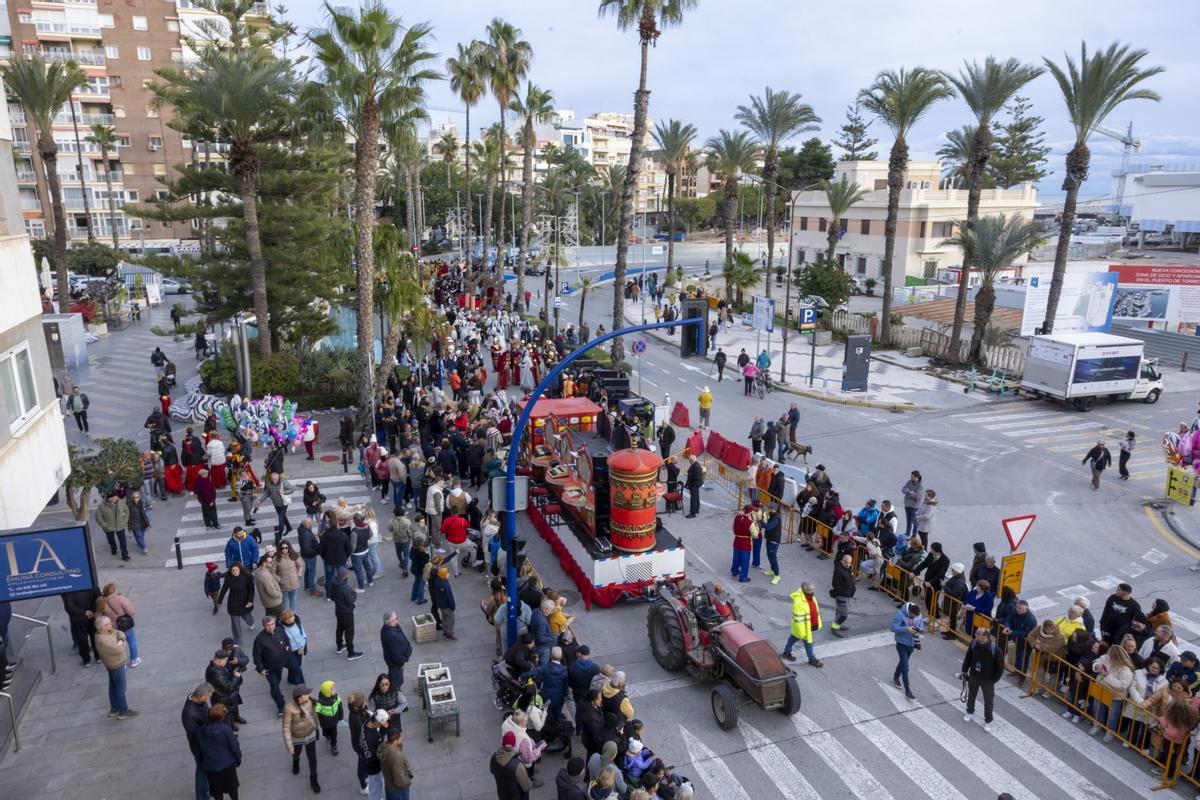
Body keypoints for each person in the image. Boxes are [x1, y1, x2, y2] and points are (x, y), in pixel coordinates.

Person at [961, 625, 1004, 730]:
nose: (976, 635)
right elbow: (968, 657)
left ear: (984, 636)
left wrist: (993, 680)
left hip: (988, 680)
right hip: (974, 676)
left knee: (988, 701)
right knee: (971, 695)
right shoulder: (974, 643)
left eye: (978, 633)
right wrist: (964, 670)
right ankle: (970, 711)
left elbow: (1000, 669)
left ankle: (988, 720)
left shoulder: (996, 650)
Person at [95, 615, 138, 719]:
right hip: (116, 665)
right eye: (108, 624)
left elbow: (119, 633)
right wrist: (121, 642)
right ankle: (123, 710)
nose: (111, 625)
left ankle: (114, 708)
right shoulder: (102, 640)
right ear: (102, 627)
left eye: (110, 623)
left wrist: (120, 640)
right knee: (120, 688)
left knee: (113, 686)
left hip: (112, 664)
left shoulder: (106, 632)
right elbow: (119, 650)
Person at [196, 704, 241, 800]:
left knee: (217, 791)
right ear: (222, 717)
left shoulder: (200, 730)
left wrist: (203, 762)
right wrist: (238, 759)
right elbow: (234, 746)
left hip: (211, 766)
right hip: (227, 765)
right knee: (232, 788)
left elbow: (199, 748)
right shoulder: (225, 730)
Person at [282, 685, 321, 793]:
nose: (309, 694)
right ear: (300, 697)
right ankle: (296, 761)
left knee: (312, 758)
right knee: (296, 753)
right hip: (297, 737)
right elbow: (286, 727)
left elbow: (314, 716)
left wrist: (316, 728)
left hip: (310, 734)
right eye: (306, 693)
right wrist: (289, 745)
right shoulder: (289, 708)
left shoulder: (310, 701)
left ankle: (314, 779)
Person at [252, 614, 291, 714]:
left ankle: (274, 692)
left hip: (280, 665)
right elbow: (256, 656)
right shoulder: (260, 639)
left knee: (277, 681)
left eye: (272, 624)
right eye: (268, 625)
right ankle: (281, 706)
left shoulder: (280, 631)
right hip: (268, 668)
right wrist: (261, 669)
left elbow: (287, 641)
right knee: (275, 686)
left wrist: (287, 651)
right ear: (264, 626)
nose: (270, 627)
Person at [182, 682, 213, 800]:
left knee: (206, 771)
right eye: (208, 696)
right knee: (202, 773)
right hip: (201, 748)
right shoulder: (190, 714)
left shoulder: (198, 700)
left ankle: (208, 790)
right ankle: (202, 797)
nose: (209, 699)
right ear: (201, 696)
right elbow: (196, 736)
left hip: (205, 744)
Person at [96, 582, 139, 667]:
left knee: (118, 644)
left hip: (112, 628)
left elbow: (98, 618)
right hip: (125, 625)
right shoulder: (120, 598)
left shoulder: (101, 601)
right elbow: (131, 612)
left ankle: (122, 664)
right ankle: (134, 660)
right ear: (114, 590)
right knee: (131, 641)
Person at [781, 582, 823, 667]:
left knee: (793, 638)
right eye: (810, 592)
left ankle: (786, 652)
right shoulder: (799, 603)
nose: (812, 594)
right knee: (808, 643)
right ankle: (812, 659)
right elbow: (799, 621)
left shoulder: (809, 597)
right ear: (804, 592)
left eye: (812, 591)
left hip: (808, 626)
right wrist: (802, 633)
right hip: (804, 628)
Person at [891, 602, 923, 700]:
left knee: (902, 663)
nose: (914, 618)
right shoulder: (900, 614)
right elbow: (893, 628)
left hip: (911, 645)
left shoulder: (919, 615)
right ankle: (908, 691)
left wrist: (919, 629)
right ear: (909, 611)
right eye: (913, 616)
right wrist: (906, 629)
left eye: (916, 617)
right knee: (905, 667)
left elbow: (922, 627)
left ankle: (896, 677)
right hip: (901, 644)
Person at [218, 562, 256, 644]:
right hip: (233, 603)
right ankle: (238, 640)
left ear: (240, 569)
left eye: (236, 570)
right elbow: (224, 589)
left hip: (245, 602)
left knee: (246, 617)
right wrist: (219, 601)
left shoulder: (246, 577)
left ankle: (251, 622)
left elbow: (251, 590)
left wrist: (250, 601)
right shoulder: (228, 578)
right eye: (233, 570)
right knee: (235, 624)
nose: (235, 572)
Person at [205, 650, 243, 731]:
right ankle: (228, 731)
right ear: (220, 660)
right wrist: (236, 676)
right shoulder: (216, 672)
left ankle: (233, 723)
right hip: (222, 699)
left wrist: (232, 675)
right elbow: (229, 687)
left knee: (230, 713)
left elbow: (223, 681)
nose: (226, 662)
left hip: (224, 697)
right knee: (226, 717)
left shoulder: (215, 667)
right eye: (225, 660)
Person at [492, 730, 535, 799]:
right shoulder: (517, 765)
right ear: (514, 745)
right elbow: (527, 787)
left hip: (502, 793)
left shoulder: (494, 757)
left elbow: (492, 771)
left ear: (503, 743)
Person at [331, 567, 363, 659]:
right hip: (346, 613)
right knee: (349, 632)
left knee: (340, 628)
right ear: (344, 576)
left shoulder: (334, 584)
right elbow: (351, 601)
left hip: (338, 610)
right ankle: (351, 653)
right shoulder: (345, 587)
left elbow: (332, 597)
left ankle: (339, 646)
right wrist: (354, 593)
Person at [380, 611, 413, 690]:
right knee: (397, 681)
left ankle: (389, 687)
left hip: (398, 660)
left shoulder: (393, 625)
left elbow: (401, 634)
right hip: (396, 663)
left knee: (393, 677)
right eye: (395, 619)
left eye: (397, 618)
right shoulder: (390, 635)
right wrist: (403, 663)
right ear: (389, 622)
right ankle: (393, 692)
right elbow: (395, 655)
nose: (398, 621)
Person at [95, 491, 131, 561]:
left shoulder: (121, 502)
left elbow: (126, 511)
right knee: (111, 540)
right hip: (108, 527)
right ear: (108, 498)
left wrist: (124, 521)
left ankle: (125, 555)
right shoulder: (101, 506)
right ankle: (113, 549)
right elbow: (98, 517)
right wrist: (104, 525)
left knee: (123, 541)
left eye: (115, 497)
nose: (114, 498)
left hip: (120, 525)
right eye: (112, 497)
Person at [379, 727, 413, 800]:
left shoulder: (384, 748)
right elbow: (399, 780)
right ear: (395, 741)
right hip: (398, 791)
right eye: (400, 737)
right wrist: (408, 781)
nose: (402, 738)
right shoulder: (396, 756)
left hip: (389, 786)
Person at [314, 680, 344, 755]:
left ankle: (334, 745)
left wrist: (341, 717)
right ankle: (327, 735)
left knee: (334, 733)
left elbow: (340, 707)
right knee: (326, 732)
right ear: (327, 692)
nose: (335, 689)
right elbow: (315, 711)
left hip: (334, 721)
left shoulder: (336, 697)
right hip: (325, 722)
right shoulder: (320, 702)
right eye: (333, 689)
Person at [279, 609, 308, 686]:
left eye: (291, 617)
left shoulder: (297, 623)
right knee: (297, 669)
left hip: (299, 649)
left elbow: (303, 635)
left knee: (297, 665)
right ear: (284, 619)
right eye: (287, 618)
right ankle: (301, 687)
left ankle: (290, 679)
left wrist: (303, 646)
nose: (290, 619)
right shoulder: (281, 629)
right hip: (290, 652)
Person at [830, 553, 855, 636]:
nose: (848, 564)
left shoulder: (848, 568)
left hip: (846, 595)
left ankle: (837, 625)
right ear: (842, 561)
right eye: (846, 562)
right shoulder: (838, 570)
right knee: (843, 615)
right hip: (842, 596)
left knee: (839, 612)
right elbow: (835, 584)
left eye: (849, 563)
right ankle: (835, 628)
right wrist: (845, 593)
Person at [255, 554, 284, 619]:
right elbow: (271, 591)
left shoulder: (260, 571)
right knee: (284, 619)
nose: (272, 563)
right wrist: (279, 594)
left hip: (268, 602)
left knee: (271, 619)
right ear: (264, 563)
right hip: (274, 603)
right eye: (270, 562)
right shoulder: (265, 575)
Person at [431, 566, 457, 640]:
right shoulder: (445, 585)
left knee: (444, 617)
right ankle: (449, 634)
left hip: (440, 604)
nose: (448, 574)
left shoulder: (437, 581)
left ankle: (445, 631)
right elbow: (450, 597)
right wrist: (452, 606)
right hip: (447, 605)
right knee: (451, 619)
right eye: (447, 573)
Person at [730, 506, 754, 583]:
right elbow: (754, 534)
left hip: (737, 540)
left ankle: (734, 571)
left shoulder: (737, 517)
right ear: (750, 512)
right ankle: (743, 577)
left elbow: (733, 527)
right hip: (745, 542)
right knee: (745, 560)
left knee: (736, 557)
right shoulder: (750, 522)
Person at [762, 503, 783, 585]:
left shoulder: (776, 518)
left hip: (774, 540)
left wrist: (760, 522)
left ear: (774, 509)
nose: (768, 509)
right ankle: (772, 569)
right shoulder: (772, 515)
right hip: (770, 538)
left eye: (769, 508)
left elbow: (769, 527)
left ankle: (777, 574)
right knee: (769, 555)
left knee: (772, 557)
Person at [126, 489, 151, 555]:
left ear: (139, 497)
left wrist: (147, 523)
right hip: (134, 524)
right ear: (132, 498)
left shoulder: (141, 503)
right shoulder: (129, 505)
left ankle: (139, 543)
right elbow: (128, 516)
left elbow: (145, 513)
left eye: (137, 497)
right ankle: (144, 547)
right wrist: (129, 525)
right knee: (139, 536)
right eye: (134, 497)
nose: (135, 498)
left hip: (142, 523)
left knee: (141, 536)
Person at [900, 470, 922, 538]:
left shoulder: (921, 485)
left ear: (917, 477)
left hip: (915, 506)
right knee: (908, 520)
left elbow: (918, 496)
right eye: (911, 476)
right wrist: (909, 492)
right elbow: (903, 489)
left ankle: (914, 535)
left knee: (914, 521)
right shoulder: (909, 481)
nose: (911, 478)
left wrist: (908, 494)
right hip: (907, 504)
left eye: (912, 477)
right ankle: (907, 533)